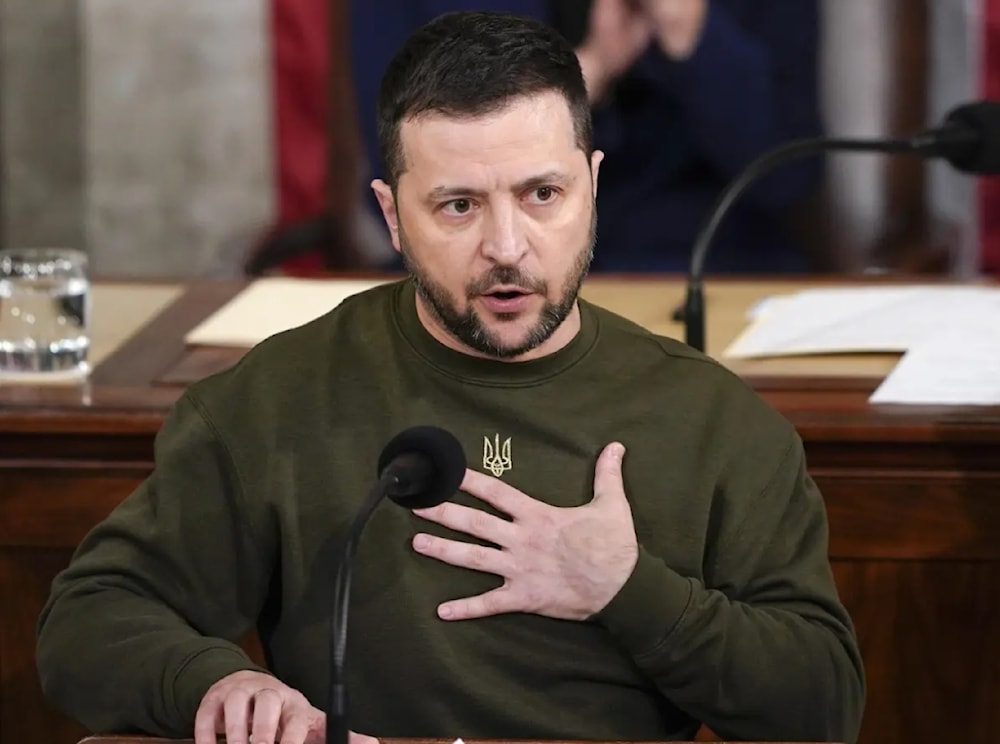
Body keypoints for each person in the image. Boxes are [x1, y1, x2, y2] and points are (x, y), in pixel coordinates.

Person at [36, 10, 864, 744]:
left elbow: (821, 707)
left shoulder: (713, 419)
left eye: (543, 194)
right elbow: (90, 619)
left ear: (593, 185)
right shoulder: (278, 395)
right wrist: (219, 687)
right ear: (392, 214)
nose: (508, 246)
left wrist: (624, 586)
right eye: (459, 206)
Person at [275, 0, 823, 276]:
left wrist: (692, 34)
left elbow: (788, 177)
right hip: (483, 276)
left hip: (703, 270)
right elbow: (403, 170)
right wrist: (592, 72)